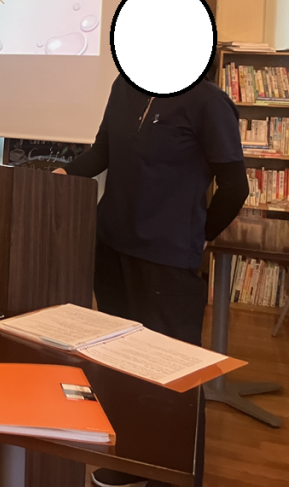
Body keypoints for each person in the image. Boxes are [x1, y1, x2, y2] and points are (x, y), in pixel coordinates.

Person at [55, 74, 248, 487]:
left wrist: (198, 235)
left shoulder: (208, 102)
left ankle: (171, 476)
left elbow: (235, 187)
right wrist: (61, 173)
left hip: (168, 261)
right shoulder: (123, 87)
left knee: (173, 375)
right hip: (111, 248)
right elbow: (102, 153)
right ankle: (131, 461)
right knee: (120, 366)